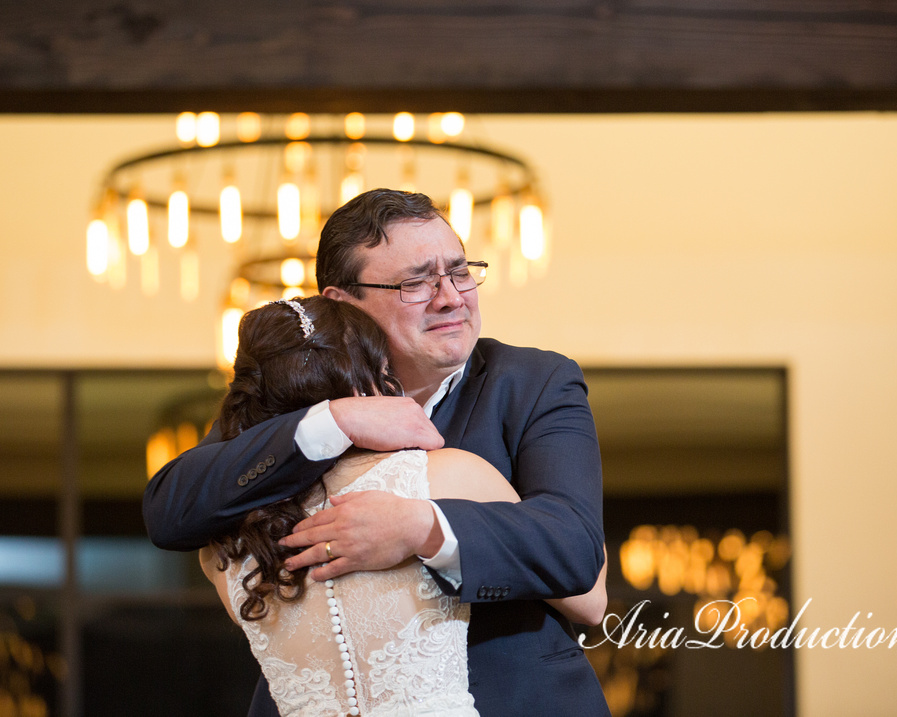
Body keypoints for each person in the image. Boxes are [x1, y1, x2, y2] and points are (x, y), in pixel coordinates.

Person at [144, 188, 609, 716]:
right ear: (342, 302)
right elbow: (170, 511)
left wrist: (420, 528)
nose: (451, 296)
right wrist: (332, 421)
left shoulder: (534, 382)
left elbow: (574, 549)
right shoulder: (293, 404)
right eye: (416, 282)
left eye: (459, 271)